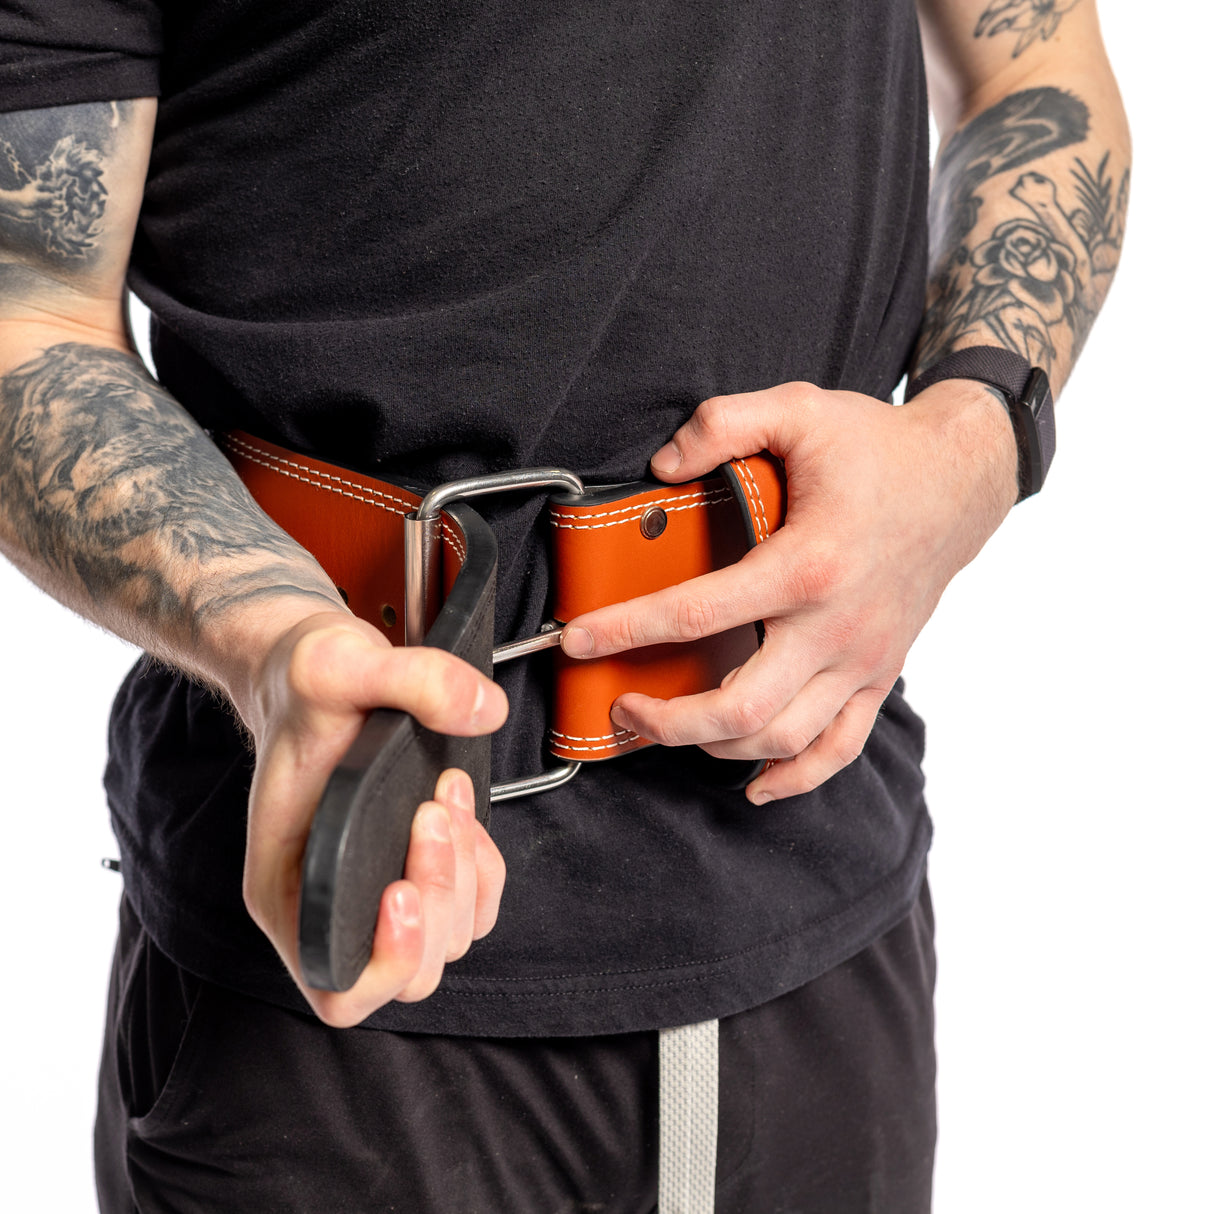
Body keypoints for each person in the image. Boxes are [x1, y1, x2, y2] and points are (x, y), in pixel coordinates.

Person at [0, 1, 1128, 1210]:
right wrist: (271, 640)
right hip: (347, 919)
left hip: (818, 879)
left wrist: (974, 430)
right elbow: (30, 307)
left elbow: (1035, 71)